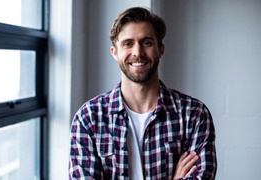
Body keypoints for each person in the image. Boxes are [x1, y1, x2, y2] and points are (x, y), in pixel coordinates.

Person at [69, 7, 217, 180]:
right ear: (114, 53)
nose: (137, 53)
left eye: (146, 42)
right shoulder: (88, 118)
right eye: (128, 43)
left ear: (160, 50)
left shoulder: (194, 114)